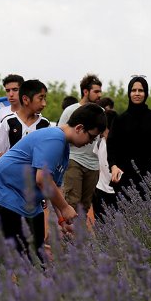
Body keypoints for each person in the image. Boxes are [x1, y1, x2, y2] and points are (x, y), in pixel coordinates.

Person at [0, 103, 106, 264]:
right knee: (10, 253)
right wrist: (66, 208)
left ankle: (31, 285)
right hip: (3, 193)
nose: (91, 142)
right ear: (80, 128)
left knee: (36, 253)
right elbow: (43, 179)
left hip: (26, 198)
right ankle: (1, 285)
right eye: (91, 137)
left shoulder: (64, 148)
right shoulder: (54, 138)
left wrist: (63, 220)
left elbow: (53, 187)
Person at [107, 75, 151, 200]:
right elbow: (112, 145)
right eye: (133, 90)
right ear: (129, 93)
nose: (137, 94)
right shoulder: (120, 120)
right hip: (126, 177)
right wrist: (113, 166)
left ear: (146, 93)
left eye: (141, 90)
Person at [57, 74, 103, 213]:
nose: (99, 95)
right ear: (85, 91)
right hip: (73, 160)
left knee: (85, 206)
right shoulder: (71, 110)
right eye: (96, 91)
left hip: (93, 164)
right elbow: (60, 134)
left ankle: (80, 234)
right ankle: (67, 234)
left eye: (100, 91)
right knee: (72, 202)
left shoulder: (100, 112)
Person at [0, 79, 50, 165]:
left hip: (34, 178)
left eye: (44, 99)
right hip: (12, 177)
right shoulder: (8, 122)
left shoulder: (45, 124)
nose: (44, 104)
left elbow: (49, 156)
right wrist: (17, 155)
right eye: (40, 98)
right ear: (25, 100)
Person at [92, 109, 118, 221]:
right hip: (101, 191)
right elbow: (99, 165)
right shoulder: (99, 143)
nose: (104, 133)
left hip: (117, 192)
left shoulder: (123, 146)